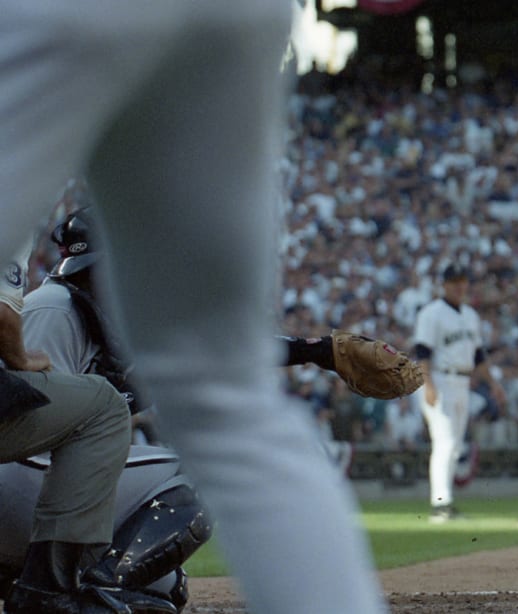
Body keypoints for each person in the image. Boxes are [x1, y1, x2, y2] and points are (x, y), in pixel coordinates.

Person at [0, 3, 388, 611]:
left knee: (161, 589)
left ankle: (71, 584)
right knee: (217, 426)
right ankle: (63, 588)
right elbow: (35, 437)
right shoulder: (56, 308)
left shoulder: (113, 320)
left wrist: (314, 351)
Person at [1, 236, 154, 612]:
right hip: (21, 484)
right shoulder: (59, 305)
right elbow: (3, 318)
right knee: (104, 407)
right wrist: (20, 359)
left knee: (163, 582)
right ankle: (46, 590)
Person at [410, 263, 506, 523]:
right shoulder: (431, 313)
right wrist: (427, 384)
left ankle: (445, 502)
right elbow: (422, 352)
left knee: (454, 447)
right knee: (445, 443)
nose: (459, 285)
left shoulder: (470, 315)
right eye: (454, 281)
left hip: (462, 383)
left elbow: (478, 356)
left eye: (463, 280)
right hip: (439, 379)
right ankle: (440, 505)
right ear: (444, 285)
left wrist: (494, 383)